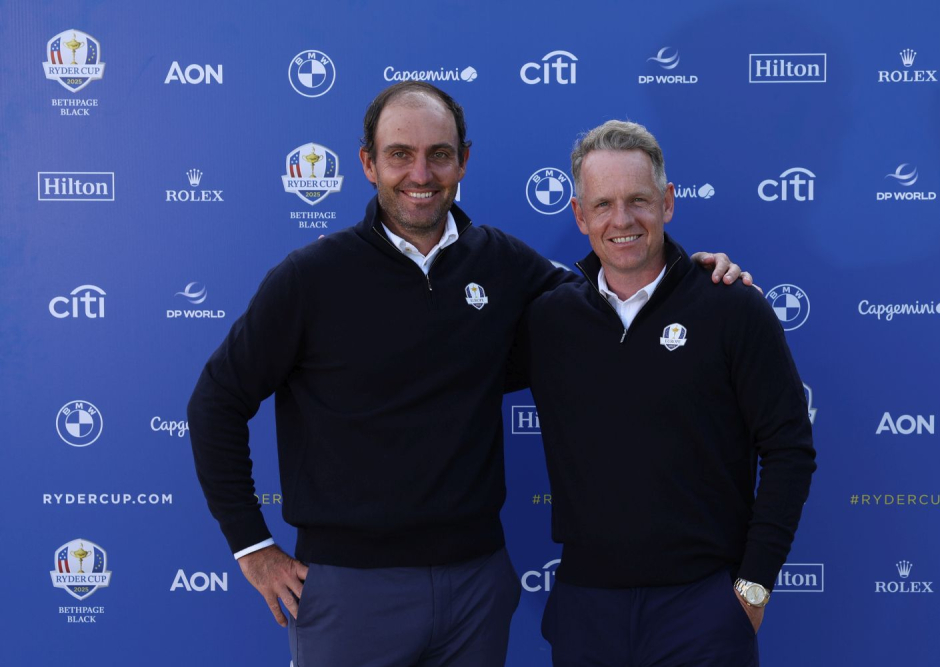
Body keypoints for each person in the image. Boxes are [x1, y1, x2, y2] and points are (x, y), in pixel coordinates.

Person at [187, 83, 751, 667]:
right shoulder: (310, 278)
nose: (421, 173)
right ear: (368, 163)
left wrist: (692, 276)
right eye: (400, 154)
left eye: (440, 153)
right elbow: (216, 402)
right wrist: (253, 548)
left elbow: (611, 294)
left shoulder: (502, 262)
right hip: (352, 589)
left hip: (477, 586)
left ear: (463, 161)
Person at [521, 120, 816, 666]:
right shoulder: (548, 319)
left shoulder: (732, 306)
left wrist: (751, 588)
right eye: (603, 204)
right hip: (587, 611)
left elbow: (789, 449)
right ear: (580, 216)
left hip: (703, 609)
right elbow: (437, 372)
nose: (622, 219)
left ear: (668, 203)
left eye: (638, 200)